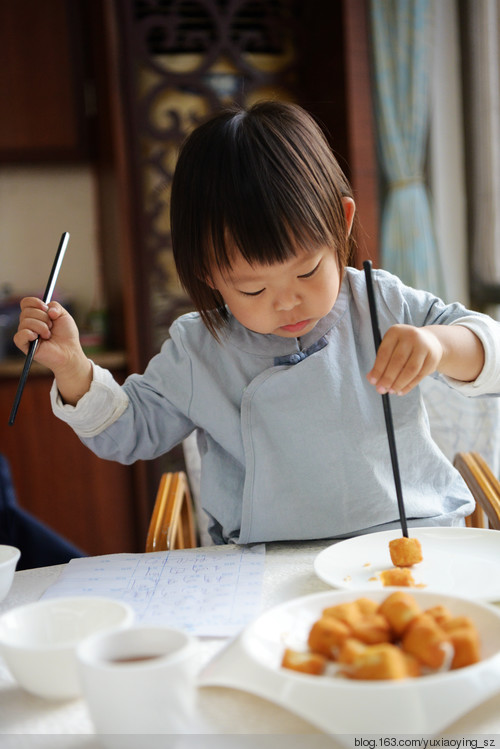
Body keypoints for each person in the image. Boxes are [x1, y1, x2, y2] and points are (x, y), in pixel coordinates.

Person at [13, 101, 500, 545]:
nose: (288, 302)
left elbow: (488, 351)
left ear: (342, 224)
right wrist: (73, 368)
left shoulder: (380, 301)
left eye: (308, 271)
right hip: (270, 558)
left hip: (412, 540)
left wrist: (439, 344)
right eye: (252, 289)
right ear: (207, 273)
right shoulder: (200, 347)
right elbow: (129, 432)